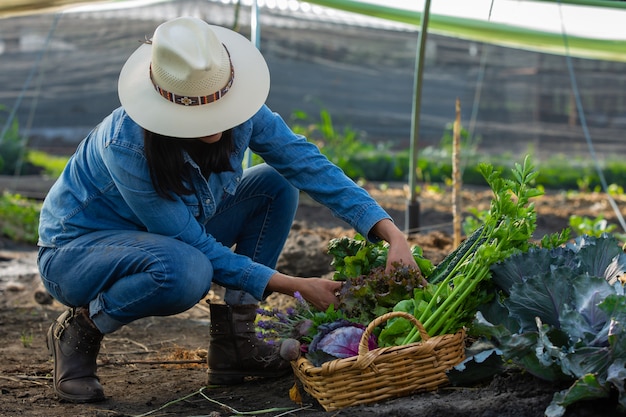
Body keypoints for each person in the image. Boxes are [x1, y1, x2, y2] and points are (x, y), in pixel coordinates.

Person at [37, 16, 418, 403]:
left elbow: (308, 165)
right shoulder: (126, 145)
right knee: (186, 271)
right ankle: (81, 329)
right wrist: (295, 286)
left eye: (219, 100)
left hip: (163, 239)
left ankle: (237, 343)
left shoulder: (244, 109)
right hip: (77, 253)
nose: (216, 117)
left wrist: (390, 232)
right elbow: (192, 243)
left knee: (275, 183)